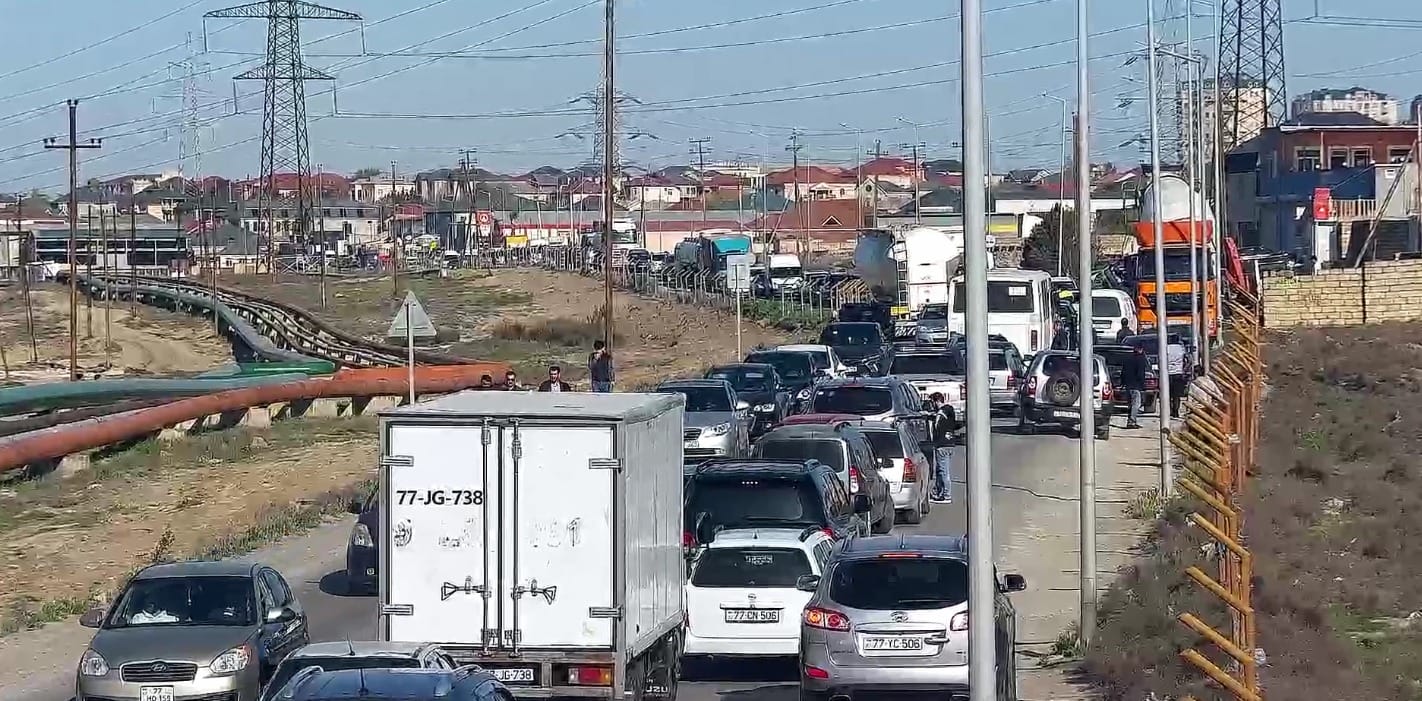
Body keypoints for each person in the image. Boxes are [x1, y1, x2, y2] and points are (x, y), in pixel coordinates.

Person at [927, 392, 955, 504]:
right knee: (941, 470)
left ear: (936, 401)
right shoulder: (949, 412)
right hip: (950, 443)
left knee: (943, 471)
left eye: (932, 402)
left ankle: (947, 495)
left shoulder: (940, 414)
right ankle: (939, 492)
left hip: (941, 445)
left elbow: (936, 429)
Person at [1120, 345, 1148, 429]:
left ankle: (1131, 420)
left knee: (1131, 404)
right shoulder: (1140, 360)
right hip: (1136, 386)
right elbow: (1140, 374)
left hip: (1128, 385)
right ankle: (1131, 421)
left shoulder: (1128, 359)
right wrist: (1143, 385)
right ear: (1141, 350)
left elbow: (1123, 372)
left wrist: (1122, 383)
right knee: (1136, 404)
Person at [1165, 334, 1188, 418]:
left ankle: (1170, 410)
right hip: (1178, 373)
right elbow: (1188, 359)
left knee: (1168, 394)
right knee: (1177, 395)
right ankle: (1176, 411)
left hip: (1167, 374)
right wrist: (1184, 369)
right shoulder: (1181, 348)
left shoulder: (1166, 348)